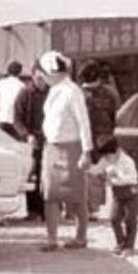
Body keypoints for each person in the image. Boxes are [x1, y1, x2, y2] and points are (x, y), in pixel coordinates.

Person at [39, 51, 93, 250]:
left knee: (77, 196)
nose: (43, 77)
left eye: (44, 73)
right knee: (50, 194)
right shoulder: (53, 91)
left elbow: (83, 122)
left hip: (72, 146)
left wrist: (87, 151)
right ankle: (52, 238)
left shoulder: (72, 91)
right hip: (52, 146)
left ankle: (81, 237)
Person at [89, 139, 138, 256]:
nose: (106, 159)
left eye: (108, 156)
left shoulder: (127, 161)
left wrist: (112, 178)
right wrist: (86, 167)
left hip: (130, 192)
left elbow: (131, 178)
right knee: (114, 218)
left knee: (130, 220)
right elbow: (96, 170)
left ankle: (129, 246)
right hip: (117, 194)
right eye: (105, 156)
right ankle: (120, 242)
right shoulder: (106, 160)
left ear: (117, 151)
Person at [80, 61, 118, 217]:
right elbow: (115, 115)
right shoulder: (109, 93)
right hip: (103, 135)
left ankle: (85, 206)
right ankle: (93, 208)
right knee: (97, 172)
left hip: (85, 136)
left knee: (85, 171)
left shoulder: (79, 94)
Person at [13, 63, 50, 221]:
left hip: (50, 139)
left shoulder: (52, 92)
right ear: (33, 76)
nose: (41, 81)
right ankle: (33, 210)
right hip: (32, 139)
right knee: (33, 175)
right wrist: (27, 135)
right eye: (39, 78)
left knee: (49, 176)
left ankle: (48, 210)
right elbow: (17, 119)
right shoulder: (25, 93)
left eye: (44, 78)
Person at [0, 61, 25, 141]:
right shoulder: (21, 86)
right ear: (20, 72)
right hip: (15, 120)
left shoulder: (2, 83)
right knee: (16, 143)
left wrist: (4, 78)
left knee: (3, 142)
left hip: (3, 118)